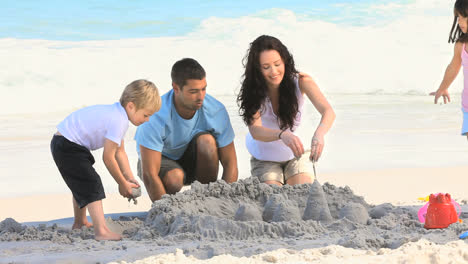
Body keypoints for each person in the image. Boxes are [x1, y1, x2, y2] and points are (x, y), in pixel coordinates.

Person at [50, 79, 161, 241]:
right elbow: (108, 158)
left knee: (81, 183)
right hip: (67, 145)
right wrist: (122, 183)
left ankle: (80, 222)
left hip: (67, 143)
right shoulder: (119, 120)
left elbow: (120, 152)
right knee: (91, 183)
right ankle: (101, 232)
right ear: (131, 106)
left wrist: (129, 177)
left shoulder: (118, 115)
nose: (147, 120)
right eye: (146, 115)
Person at [134, 58, 238, 202]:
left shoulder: (216, 110)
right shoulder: (155, 114)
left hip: (193, 162)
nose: (201, 96)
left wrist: (223, 203)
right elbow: (150, 175)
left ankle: (205, 202)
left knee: (207, 141)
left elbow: (230, 163)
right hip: (160, 162)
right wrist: (163, 213)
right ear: (176, 88)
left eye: (203, 89)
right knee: (174, 178)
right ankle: (170, 207)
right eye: (193, 91)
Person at [237, 35, 335, 186]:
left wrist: (319, 134)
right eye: (266, 67)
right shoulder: (253, 90)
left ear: (284, 60)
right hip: (265, 156)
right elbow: (255, 130)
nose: (274, 71)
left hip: (297, 154)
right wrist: (282, 135)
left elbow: (328, 111)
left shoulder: (301, 81)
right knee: (274, 199)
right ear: (257, 69)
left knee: (300, 193)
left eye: (277, 64)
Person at [431, 0, 468, 138]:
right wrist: (443, 87)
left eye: (464, 16)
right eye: (458, 17)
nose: (459, 21)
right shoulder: (461, 45)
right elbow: (453, 66)